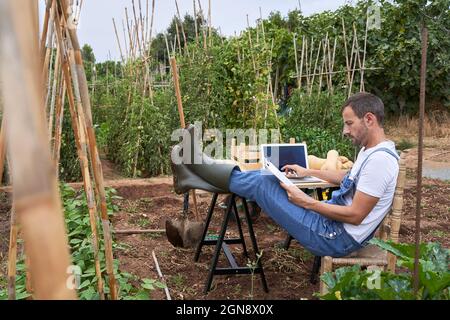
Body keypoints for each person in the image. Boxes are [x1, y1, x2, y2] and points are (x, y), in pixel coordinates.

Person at [227, 92, 399, 257]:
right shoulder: (370, 151)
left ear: (369, 119)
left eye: (349, 123)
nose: (345, 131)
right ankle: (219, 175)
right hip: (331, 226)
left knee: (261, 185)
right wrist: (307, 171)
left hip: (333, 238)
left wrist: (306, 202)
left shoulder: (380, 161)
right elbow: (350, 176)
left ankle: (216, 176)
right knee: (271, 176)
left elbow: (355, 215)